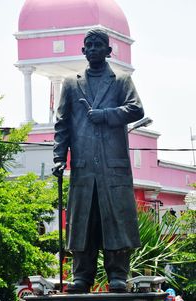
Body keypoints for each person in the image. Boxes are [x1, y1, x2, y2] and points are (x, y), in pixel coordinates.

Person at [53, 28, 144, 294]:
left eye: (98, 45)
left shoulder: (121, 80)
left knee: (115, 220)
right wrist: (59, 158)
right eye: (88, 45)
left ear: (108, 51)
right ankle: (82, 275)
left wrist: (104, 114)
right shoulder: (71, 84)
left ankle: (118, 274)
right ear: (83, 51)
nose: (93, 49)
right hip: (82, 168)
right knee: (83, 222)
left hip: (112, 167)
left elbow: (136, 109)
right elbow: (62, 124)